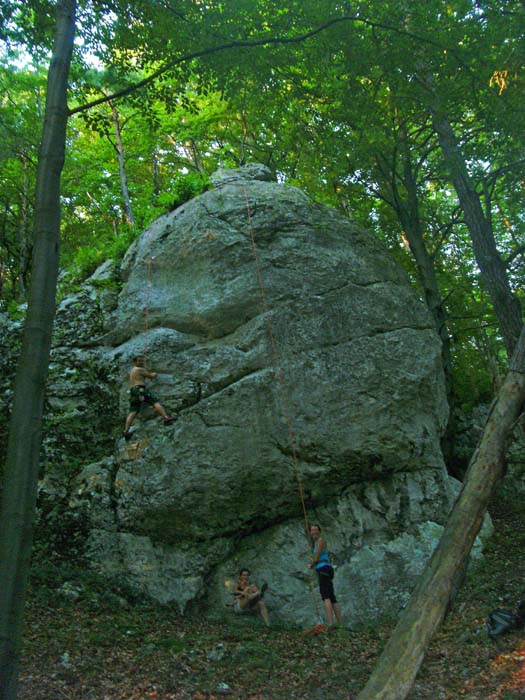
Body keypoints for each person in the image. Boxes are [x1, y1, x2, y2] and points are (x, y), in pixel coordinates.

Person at [123, 355, 175, 440]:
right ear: (135, 362)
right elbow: (151, 376)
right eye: (139, 361)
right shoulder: (139, 369)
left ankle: (126, 431)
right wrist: (154, 373)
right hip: (140, 390)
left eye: (142, 361)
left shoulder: (132, 370)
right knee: (154, 401)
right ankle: (166, 418)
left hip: (133, 391)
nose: (142, 362)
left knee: (133, 410)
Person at [307, 524, 343, 628]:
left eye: (315, 530)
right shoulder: (316, 543)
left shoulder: (320, 541)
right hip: (326, 568)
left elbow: (317, 557)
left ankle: (331, 623)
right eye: (312, 530)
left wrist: (311, 564)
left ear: (319, 531)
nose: (314, 532)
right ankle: (340, 623)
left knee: (325, 596)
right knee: (332, 597)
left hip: (323, 569)